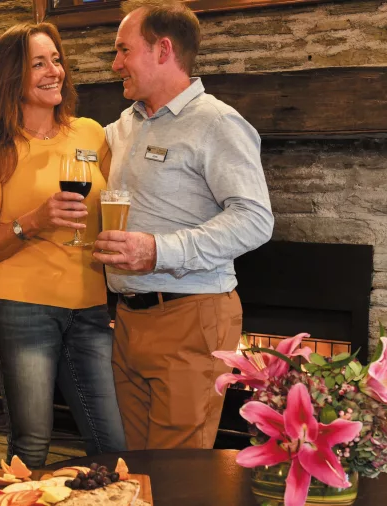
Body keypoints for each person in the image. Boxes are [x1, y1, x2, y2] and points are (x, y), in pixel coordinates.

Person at [93, 0, 274, 451]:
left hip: (192, 315)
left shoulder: (216, 122)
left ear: (163, 50)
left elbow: (255, 220)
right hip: (129, 319)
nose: (115, 64)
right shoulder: (125, 126)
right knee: (133, 465)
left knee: (177, 474)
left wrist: (158, 250)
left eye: (122, 50)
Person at [0, 22, 126, 468]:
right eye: (39, 63)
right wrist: (32, 222)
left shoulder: (91, 134)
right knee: (33, 445)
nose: (55, 70)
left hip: (90, 307)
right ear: (13, 76)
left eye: (56, 60)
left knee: (110, 444)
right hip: (22, 308)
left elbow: (114, 198)